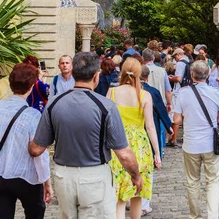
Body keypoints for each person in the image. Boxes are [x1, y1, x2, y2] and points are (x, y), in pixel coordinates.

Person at [29, 52, 142, 219]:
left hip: (63, 175)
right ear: (96, 76)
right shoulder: (106, 106)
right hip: (94, 175)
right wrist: (136, 175)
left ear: (73, 73)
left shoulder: (54, 103)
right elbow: (124, 154)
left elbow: (37, 148)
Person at [107, 58, 161, 219]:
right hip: (140, 145)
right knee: (137, 192)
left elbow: (106, 120)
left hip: (118, 143)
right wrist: (157, 152)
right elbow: (150, 126)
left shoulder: (112, 92)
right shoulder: (145, 95)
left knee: (119, 195)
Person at [174, 61, 219, 219]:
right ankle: (213, 216)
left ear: (191, 75)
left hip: (191, 143)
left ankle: (195, 216)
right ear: (208, 75)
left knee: (192, 181)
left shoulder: (183, 93)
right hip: (210, 143)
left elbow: (177, 120)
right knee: (213, 180)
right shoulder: (215, 92)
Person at [0, 63, 52, 219]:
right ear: (31, 86)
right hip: (27, 176)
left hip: (1, 174)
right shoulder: (33, 115)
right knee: (35, 213)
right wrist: (46, 181)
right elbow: (38, 153)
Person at [140, 65, 173, 216]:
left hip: (130, 132)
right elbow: (161, 109)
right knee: (147, 167)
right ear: (147, 77)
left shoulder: (126, 91)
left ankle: (130, 200)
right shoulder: (152, 92)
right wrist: (169, 126)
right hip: (147, 131)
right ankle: (144, 203)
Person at [168, 48, 191, 147]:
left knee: (176, 115)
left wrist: (170, 78)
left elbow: (178, 78)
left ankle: (173, 139)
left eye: (175, 57)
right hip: (188, 90)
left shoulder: (180, 63)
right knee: (185, 115)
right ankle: (185, 138)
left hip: (178, 92)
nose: (175, 59)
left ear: (178, 55)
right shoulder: (189, 62)